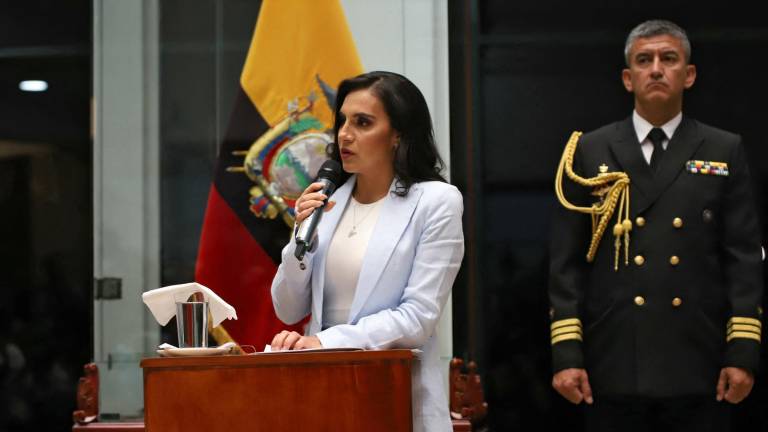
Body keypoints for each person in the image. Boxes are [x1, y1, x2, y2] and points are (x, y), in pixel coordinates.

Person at [549, 19, 763, 431]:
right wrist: (567, 355)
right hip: (613, 357)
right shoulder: (590, 150)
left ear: (689, 73)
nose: (656, 69)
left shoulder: (723, 149)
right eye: (644, 61)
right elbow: (566, 263)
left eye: (669, 58)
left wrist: (743, 353)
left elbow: (742, 259)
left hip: (698, 358)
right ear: (628, 79)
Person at [270, 71, 464, 432]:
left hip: (394, 397)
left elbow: (417, 318)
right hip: (321, 395)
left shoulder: (437, 202)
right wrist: (300, 237)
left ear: (398, 134)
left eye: (362, 122)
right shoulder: (327, 203)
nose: (344, 133)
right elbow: (287, 308)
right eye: (342, 120)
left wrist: (324, 342)